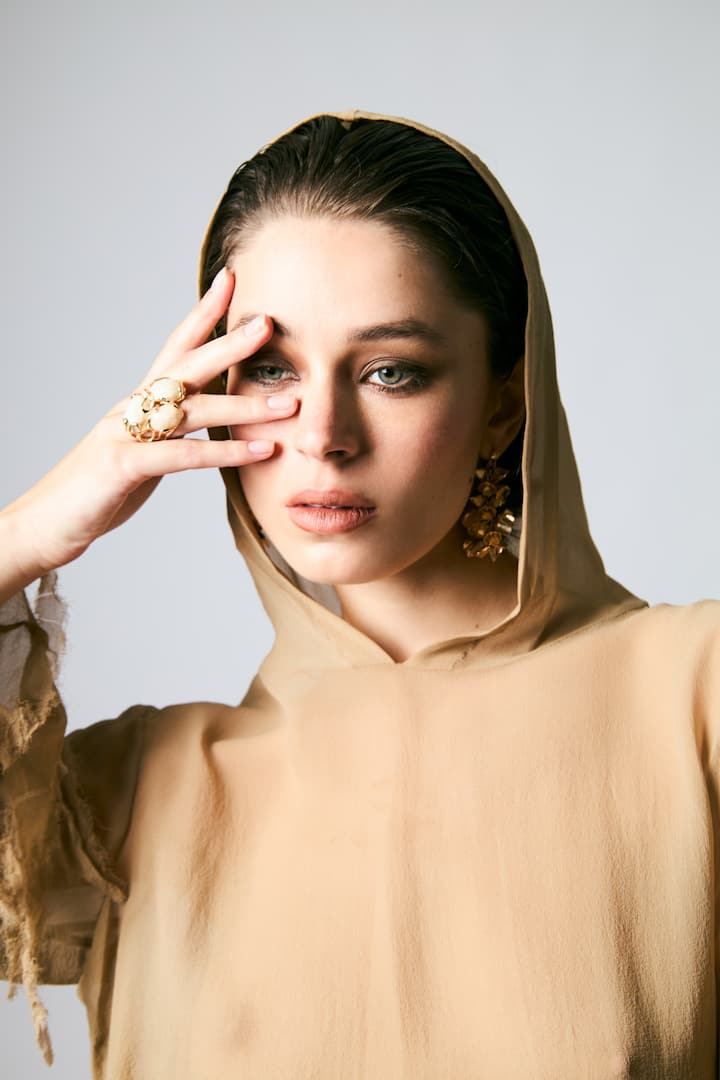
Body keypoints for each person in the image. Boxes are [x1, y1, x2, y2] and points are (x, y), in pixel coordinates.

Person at [1, 109, 718, 1078]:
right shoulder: (132, 798)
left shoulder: (691, 699)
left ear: (503, 401)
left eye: (391, 371)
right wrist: (26, 534)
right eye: (269, 370)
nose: (324, 435)